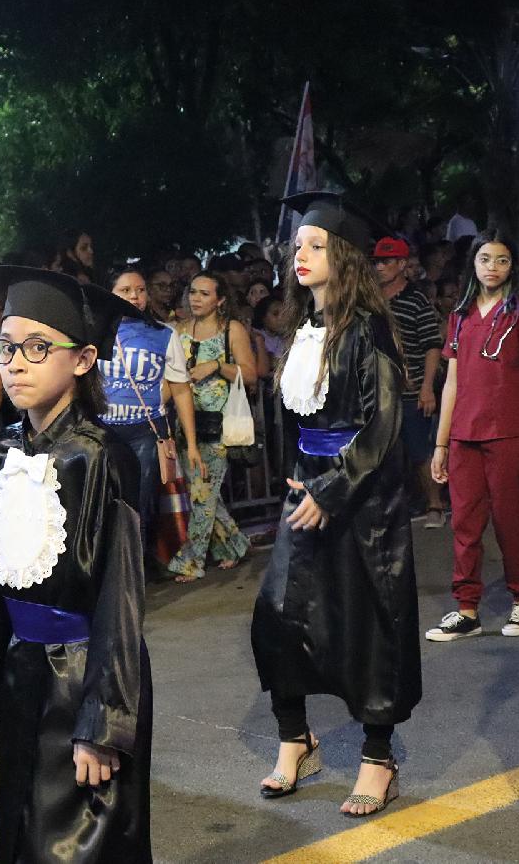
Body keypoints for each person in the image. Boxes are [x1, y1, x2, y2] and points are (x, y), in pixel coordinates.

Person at [0, 267, 153, 863]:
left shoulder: (104, 459)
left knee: (82, 844)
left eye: (37, 347)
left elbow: (120, 599)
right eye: (7, 347)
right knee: (20, 828)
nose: (15, 363)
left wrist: (103, 721)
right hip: (23, 671)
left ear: (83, 360)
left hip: (85, 678)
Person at [252, 191, 421, 818]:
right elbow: (298, 421)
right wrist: (299, 479)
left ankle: (379, 759)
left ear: (344, 256)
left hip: (361, 500)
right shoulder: (303, 330)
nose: (301, 254)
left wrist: (331, 490)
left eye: (316, 245)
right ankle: (295, 740)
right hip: (307, 490)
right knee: (280, 614)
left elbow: (382, 424)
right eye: (298, 245)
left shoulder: (368, 330)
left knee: (368, 624)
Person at [428, 231, 519, 640]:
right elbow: (451, 384)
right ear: (473, 264)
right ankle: (467, 609)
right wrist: (441, 443)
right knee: (464, 524)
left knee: (510, 521)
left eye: (501, 260)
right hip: (464, 435)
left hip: (508, 434)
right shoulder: (459, 316)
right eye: (485, 259)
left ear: (513, 267)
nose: (492, 267)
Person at [100, 264, 204, 557]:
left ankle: (135, 570)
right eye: (125, 290)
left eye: (140, 290)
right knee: (104, 504)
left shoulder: (163, 334)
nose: (135, 296)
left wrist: (192, 445)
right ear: (109, 293)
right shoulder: (94, 332)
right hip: (101, 432)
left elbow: (181, 389)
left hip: (145, 432)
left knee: (140, 504)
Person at [166, 272, 255, 582]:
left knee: (202, 492)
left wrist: (216, 366)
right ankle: (234, 544)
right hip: (185, 423)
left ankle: (191, 561)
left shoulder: (232, 329)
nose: (196, 298)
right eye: (193, 292)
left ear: (220, 300)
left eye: (205, 294)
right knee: (202, 491)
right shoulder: (178, 330)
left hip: (218, 425)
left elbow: (251, 374)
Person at [373, 235, 445, 527]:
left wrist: (427, 387)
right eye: (377, 261)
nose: (380, 267)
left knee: (419, 452)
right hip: (377, 391)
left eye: (387, 261)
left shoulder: (416, 300)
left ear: (402, 264)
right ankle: (387, 510)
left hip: (410, 389)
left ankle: (435, 505)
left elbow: (432, 345)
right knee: (379, 455)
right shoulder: (370, 300)